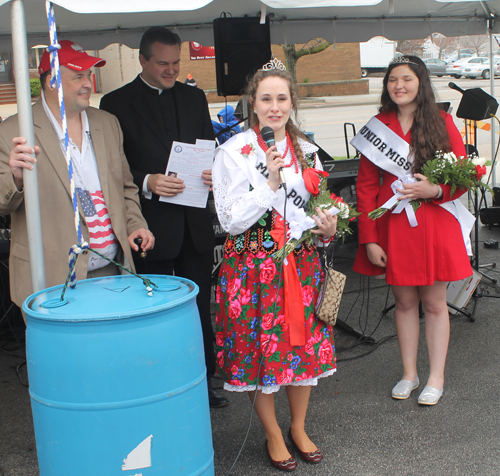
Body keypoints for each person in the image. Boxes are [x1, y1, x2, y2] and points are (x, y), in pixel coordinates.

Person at [212, 63, 338, 471]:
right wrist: (268, 183)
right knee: (258, 354)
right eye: (266, 98)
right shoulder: (232, 152)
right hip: (251, 269)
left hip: (300, 265)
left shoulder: (309, 151)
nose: (274, 107)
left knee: (301, 353)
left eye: (281, 98)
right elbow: (229, 221)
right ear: (253, 103)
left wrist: (328, 227)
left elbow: (319, 211)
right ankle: (271, 432)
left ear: (292, 103)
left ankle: (299, 427)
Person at [99, 27, 227, 408]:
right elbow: (112, 166)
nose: (171, 71)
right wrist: (147, 181)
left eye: (176, 63)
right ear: (142, 60)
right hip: (149, 224)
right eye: (163, 64)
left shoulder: (194, 97)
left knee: (199, 307)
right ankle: (157, 383)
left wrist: (211, 169)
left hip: (193, 225)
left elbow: (209, 146)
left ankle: (203, 382)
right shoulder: (116, 102)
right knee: (152, 310)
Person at [353, 56, 473, 406]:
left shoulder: (441, 122)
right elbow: (364, 186)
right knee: (404, 303)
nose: (399, 86)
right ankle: (410, 373)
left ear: (421, 82)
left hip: (433, 222)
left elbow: (464, 175)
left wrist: (434, 190)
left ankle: (436, 377)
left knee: (435, 304)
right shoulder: (377, 125)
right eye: (393, 80)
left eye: (406, 79)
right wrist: (369, 237)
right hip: (393, 226)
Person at [0, 40, 154, 309]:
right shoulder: (13, 131)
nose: (88, 84)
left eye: (90, 75)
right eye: (78, 76)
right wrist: (16, 178)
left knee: (112, 348)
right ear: (51, 82)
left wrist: (135, 224)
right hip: (51, 277)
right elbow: (3, 204)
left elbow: (126, 187)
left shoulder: (107, 123)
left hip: (112, 270)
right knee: (64, 352)